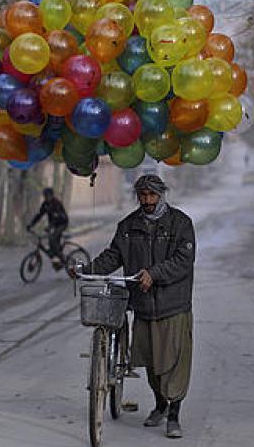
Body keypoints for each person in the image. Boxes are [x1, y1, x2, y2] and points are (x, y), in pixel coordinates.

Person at [73, 175, 195, 439]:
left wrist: (154, 273)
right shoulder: (128, 226)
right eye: (143, 195)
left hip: (173, 305)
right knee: (151, 361)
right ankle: (160, 405)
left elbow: (183, 260)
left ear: (162, 195)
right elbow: (113, 255)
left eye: (152, 195)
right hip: (142, 306)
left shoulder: (180, 223)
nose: (147, 201)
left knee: (174, 362)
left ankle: (174, 414)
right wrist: (87, 270)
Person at [27, 188, 69, 266]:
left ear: (52, 195)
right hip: (53, 224)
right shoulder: (45, 204)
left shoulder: (57, 203)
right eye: (45, 196)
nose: (46, 198)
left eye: (48, 196)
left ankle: (62, 258)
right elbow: (39, 215)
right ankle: (57, 260)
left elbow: (59, 216)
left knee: (53, 239)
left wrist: (50, 226)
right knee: (51, 243)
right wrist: (31, 224)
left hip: (62, 223)